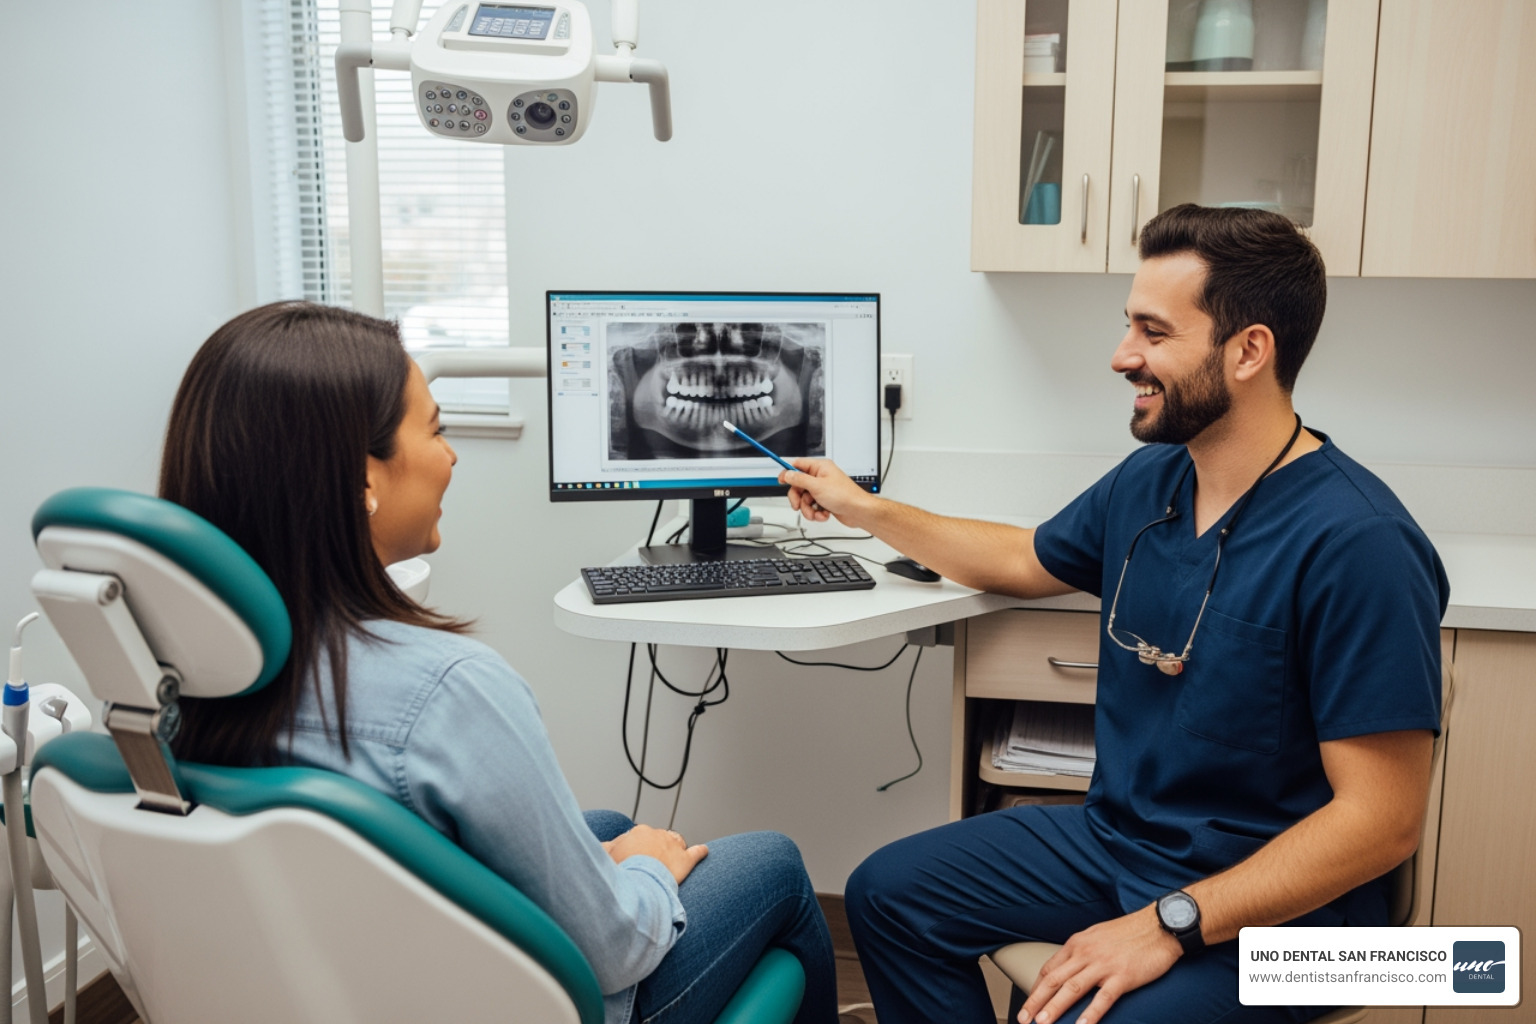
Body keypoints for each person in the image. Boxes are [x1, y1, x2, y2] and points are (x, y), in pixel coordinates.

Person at [778, 205, 1448, 1024]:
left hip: (1301, 919)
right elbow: (1025, 557)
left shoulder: (1359, 544)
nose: (1121, 355)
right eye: (1128, 325)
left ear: (1248, 350)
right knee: (889, 894)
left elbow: (1382, 825)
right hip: (1126, 845)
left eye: (1153, 332)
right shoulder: (1155, 480)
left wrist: (1169, 925)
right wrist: (863, 507)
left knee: (1104, 1017)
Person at [157, 301, 838, 1024]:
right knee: (777, 868)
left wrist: (609, 861)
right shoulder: (448, 692)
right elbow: (613, 950)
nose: (450, 455)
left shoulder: (180, 683)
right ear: (364, 481)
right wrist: (646, 871)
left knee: (601, 823)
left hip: (353, 986)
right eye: (437, 430)